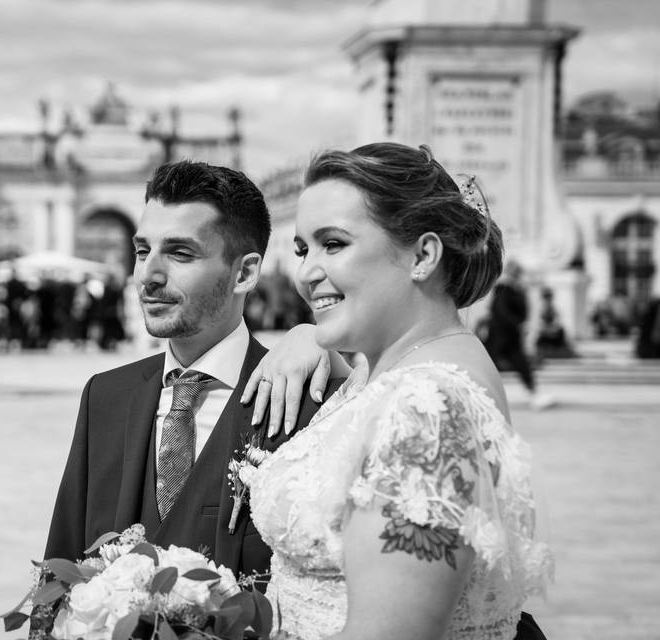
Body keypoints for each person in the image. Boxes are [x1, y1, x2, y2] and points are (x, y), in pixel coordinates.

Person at [240, 144, 552, 640]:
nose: (305, 273)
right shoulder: (400, 368)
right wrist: (306, 336)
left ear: (423, 255)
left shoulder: (425, 412)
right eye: (303, 249)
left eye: (334, 244)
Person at [43, 160, 341, 578]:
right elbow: (62, 563)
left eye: (180, 253)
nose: (149, 275)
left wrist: (316, 336)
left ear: (245, 272)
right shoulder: (105, 396)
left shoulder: (309, 401)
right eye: (143, 251)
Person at [486, 259, 555, 410]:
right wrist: (518, 324)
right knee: (496, 364)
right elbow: (501, 311)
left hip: (508, 335)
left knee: (515, 364)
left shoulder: (513, 288)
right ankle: (533, 393)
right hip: (503, 335)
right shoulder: (504, 288)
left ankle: (533, 392)